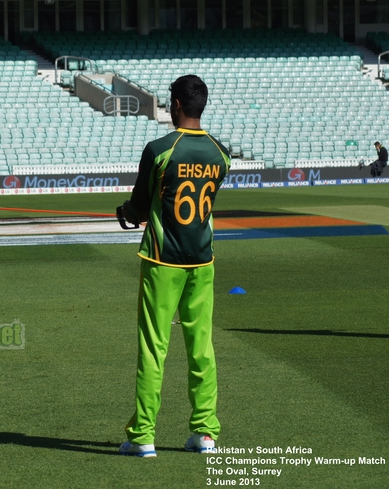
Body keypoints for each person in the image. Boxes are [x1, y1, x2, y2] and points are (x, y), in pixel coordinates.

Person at [117, 75, 230, 458]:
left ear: (178, 105)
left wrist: (126, 214)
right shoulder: (221, 153)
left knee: (153, 347)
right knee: (202, 349)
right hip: (203, 259)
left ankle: (143, 436)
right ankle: (205, 433)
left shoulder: (160, 149)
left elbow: (140, 202)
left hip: (163, 260)